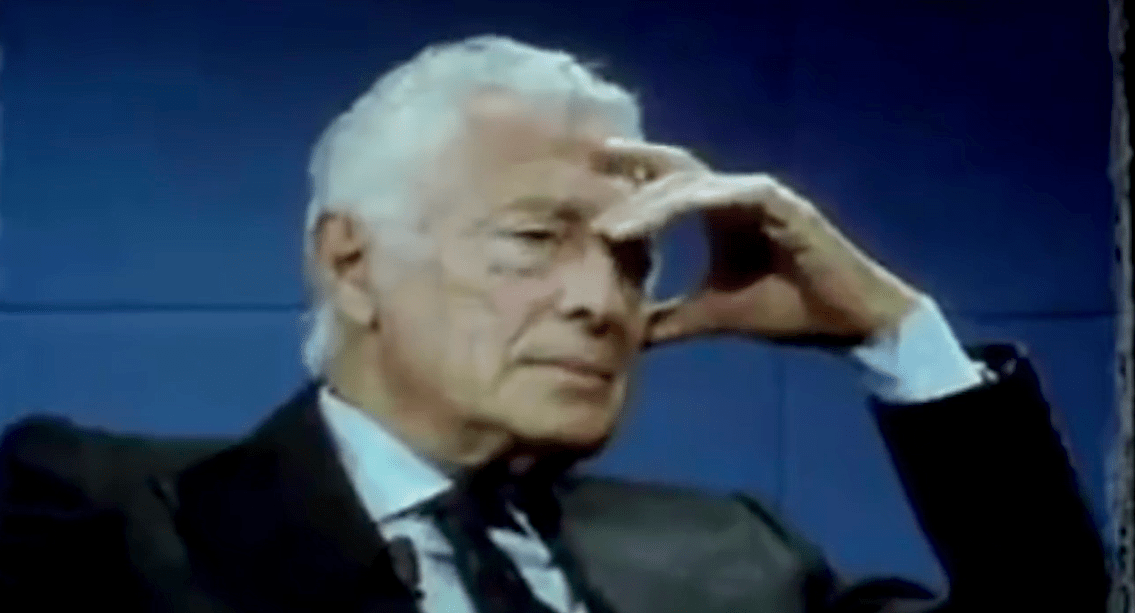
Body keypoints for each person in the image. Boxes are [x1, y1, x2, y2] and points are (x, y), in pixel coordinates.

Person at [0, 35, 1109, 612]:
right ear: (350, 262)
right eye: (535, 238)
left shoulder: (734, 559)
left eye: (632, 258)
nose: (599, 299)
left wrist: (895, 335)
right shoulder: (101, 517)